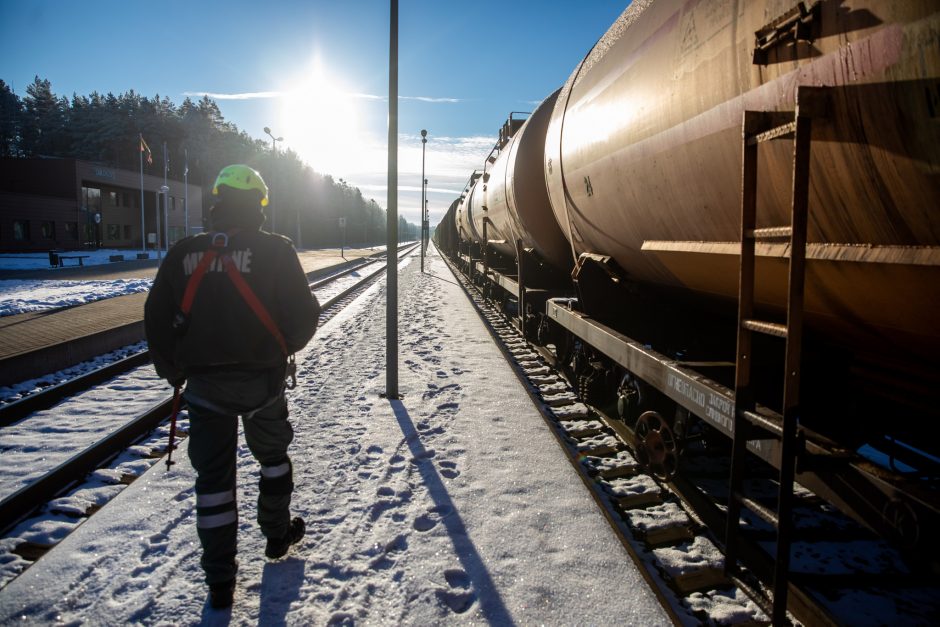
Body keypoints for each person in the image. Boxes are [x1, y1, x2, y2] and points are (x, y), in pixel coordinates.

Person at [144, 164, 320, 609]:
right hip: (262, 382)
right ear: (260, 203)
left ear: (217, 198)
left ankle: (220, 581)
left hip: (204, 389)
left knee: (215, 482)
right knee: (274, 460)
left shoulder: (184, 252)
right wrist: (282, 349)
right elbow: (303, 316)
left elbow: (155, 319)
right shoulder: (276, 250)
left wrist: (175, 371)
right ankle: (277, 536)